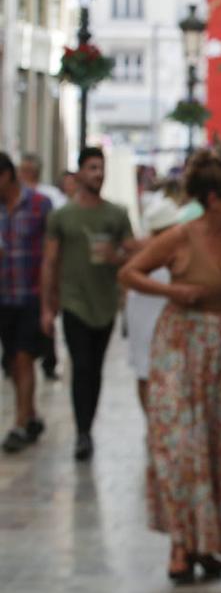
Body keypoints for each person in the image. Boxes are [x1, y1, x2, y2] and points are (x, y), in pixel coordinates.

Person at [118, 146, 221, 582]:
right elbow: (129, 272)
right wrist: (173, 293)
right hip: (181, 346)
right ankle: (180, 546)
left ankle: (205, 542)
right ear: (211, 198)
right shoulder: (181, 236)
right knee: (182, 447)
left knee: (220, 445)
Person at [41, 147, 136, 462]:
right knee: (80, 366)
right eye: (92, 168)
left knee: (94, 369)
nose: (98, 173)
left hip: (105, 303)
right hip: (74, 302)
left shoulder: (116, 215)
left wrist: (116, 257)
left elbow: (134, 255)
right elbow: (50, 261)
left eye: (101, 168)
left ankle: (87, 425)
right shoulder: (62, 216)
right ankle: (82, 433)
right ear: (80, 172)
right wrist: (47, 304)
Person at [0, 152, 54, 453]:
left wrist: (50, 300)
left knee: (23, 357)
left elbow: (51, 254)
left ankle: (20, 423)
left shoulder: (38, 205)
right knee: (12, 361)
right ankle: (31, 414)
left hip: (31, 295)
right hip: (3, 295)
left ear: (7, 176)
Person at [123, 193, 180, 411]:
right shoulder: (155, 254)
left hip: (152, 316)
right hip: (148, 315)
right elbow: (126, 277)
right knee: (146, 371)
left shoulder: (155, 251)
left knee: (147, 371)